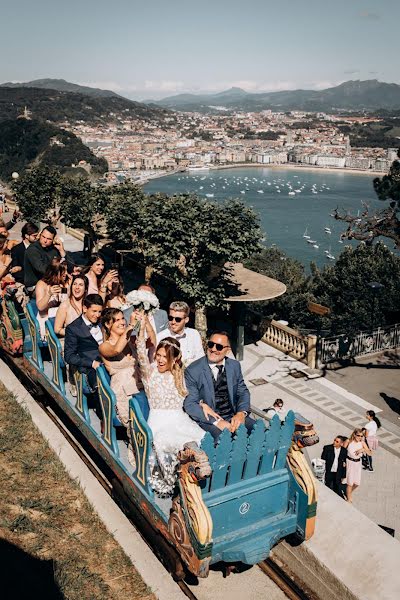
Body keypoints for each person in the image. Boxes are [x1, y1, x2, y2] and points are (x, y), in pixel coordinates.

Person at [136, 315, 208, 496]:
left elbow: (192, 395)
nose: (160, 360)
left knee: (199, 435)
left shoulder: (180, 375)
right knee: (165, 441)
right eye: (158, 355)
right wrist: (143, 324)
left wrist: (203, 404)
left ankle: (196, 472)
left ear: (175, 360)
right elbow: (141, 352)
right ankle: (180, 480)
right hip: (159, 420)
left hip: (179, 418)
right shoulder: (150, 373)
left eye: (164, 357)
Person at [99, 308, 153, 465]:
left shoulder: (130, 339)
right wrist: (130, 327)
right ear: (108, 325)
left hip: (140, 382)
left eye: (123, 318)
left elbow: (151, 342)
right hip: (122, 387)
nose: (122, 321)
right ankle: (135, 447)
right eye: (117, 320)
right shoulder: (104, 346)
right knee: (134, 419)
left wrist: (146, 322)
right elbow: (116, 349)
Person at [184, 330, 255, 441]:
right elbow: (190, 404)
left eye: (219, 347)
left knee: (259, 431)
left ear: (227, 350)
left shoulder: (234, 365)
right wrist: (217, 422)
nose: (213, 349)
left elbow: (243, 392)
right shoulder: (193, 370)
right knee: (223, 442)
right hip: (210, 421)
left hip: (233, 415)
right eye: (211, 344)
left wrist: (242, 413)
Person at [64, 294, 104, 391]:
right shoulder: (73, 328)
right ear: (85, 308)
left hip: (108, 361)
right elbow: (69, 356)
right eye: (94, 311)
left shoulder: (102, 322)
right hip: (90, 368)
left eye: (99, 312)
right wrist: (92, 363)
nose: (97, 315)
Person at [157, 301, 204, 366]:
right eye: (170, 318)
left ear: (186, 320)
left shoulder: (194, 334)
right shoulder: (160, 337)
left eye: (178, 319)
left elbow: (200, 360)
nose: (173, 322)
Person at [24, 226, 66, 293]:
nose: (45, 240)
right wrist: (60, 271)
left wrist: (61, 250)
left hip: (52, 283)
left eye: (49, 239)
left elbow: (69, 266)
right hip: (35, 286)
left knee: (69, 291)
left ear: (53, 239)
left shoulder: (54, 248)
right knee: (61, 293)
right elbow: (41, 268)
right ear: (40, 235)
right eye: (43, 237)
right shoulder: (32, 250)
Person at [35, 258, 69, 340]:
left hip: (63, 319)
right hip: (47, 319)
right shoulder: (42, 284)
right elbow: (40, 307)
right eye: (63, 274)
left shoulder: (65, 283)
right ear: (55, 273)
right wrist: (49, 294)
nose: (66, 275)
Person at [344, 428, 372, 503]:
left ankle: (348, 492)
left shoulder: (362, 443)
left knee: (356, 483)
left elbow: (370, 453)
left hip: (358, 464)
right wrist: (343, 462)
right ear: (354, 434)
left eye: (361, 436)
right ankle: (349, 499)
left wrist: (363, 450)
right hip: (349, 462)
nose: (360, 437)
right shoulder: (348, 441)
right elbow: (342, 452)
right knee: (350, 483)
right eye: (358, 435)